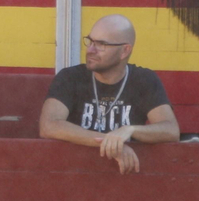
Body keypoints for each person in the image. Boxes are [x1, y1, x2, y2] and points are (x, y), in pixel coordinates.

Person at [39, 14, 180, 175]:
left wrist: (130, 130)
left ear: (124, 51)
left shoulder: (144, 80)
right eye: (90, 41)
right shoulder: (70, 77)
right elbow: (48, 126)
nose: (90, 49)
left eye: (101, 44)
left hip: (126, 178)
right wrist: (111, 143)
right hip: (74, 174)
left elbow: (171, 130)